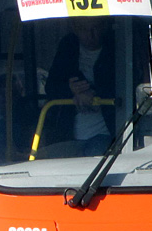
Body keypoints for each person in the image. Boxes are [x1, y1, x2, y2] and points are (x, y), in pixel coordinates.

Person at [44, 16, 116, 154]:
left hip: (107, 135)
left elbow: (122, 85)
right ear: (75, 28)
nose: (91, 34)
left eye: (95, 28)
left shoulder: (116, 46)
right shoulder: (68, 46)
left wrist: (93, 95)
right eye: (84, 29)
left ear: (105, 26)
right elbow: (51, 87)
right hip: (66, 134)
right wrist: (70, 90)